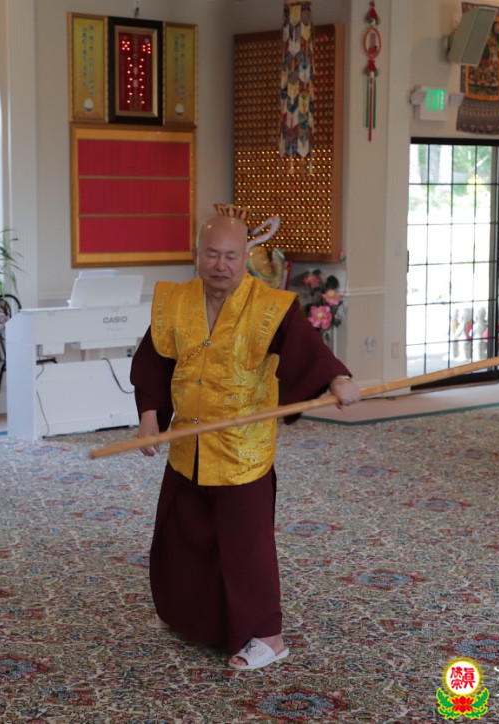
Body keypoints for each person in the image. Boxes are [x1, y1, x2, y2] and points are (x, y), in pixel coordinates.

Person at [129, 209, 361, 670]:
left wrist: (337, 380)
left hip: (241, 450)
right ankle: (184, 615)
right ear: (196, 255)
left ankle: (268, 637)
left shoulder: (269, 307)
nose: (221, 264)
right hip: (190, 443)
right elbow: (155, 360)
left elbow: (307, 350)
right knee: (182, 533)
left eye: (231, 255)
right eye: (212, 254)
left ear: (246, 257)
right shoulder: (175, 301)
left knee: (244, 546)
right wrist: (149, 418)